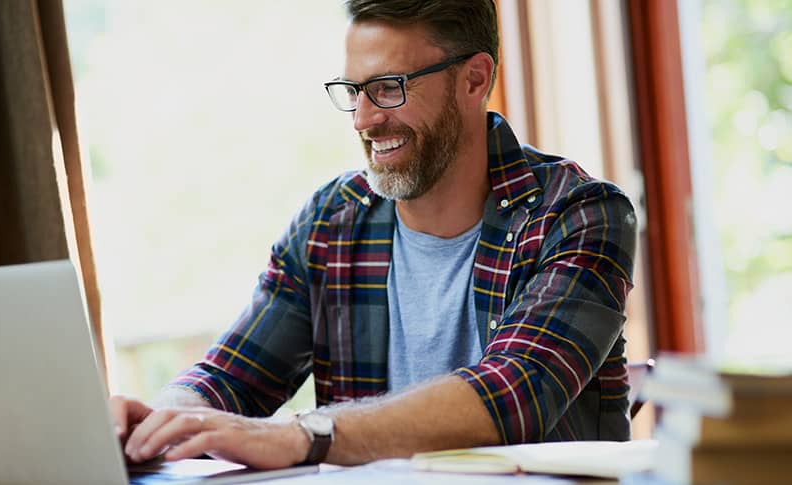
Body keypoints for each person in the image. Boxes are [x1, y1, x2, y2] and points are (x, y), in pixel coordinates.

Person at [111, 0, 637, 469]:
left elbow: (513, 394)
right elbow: (231, 378)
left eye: (388, 88)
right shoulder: (331, 222)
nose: (363, 119)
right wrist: (163, 419)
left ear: (475, 80)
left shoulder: (581, 216)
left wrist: (305, 434)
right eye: (353, 91)